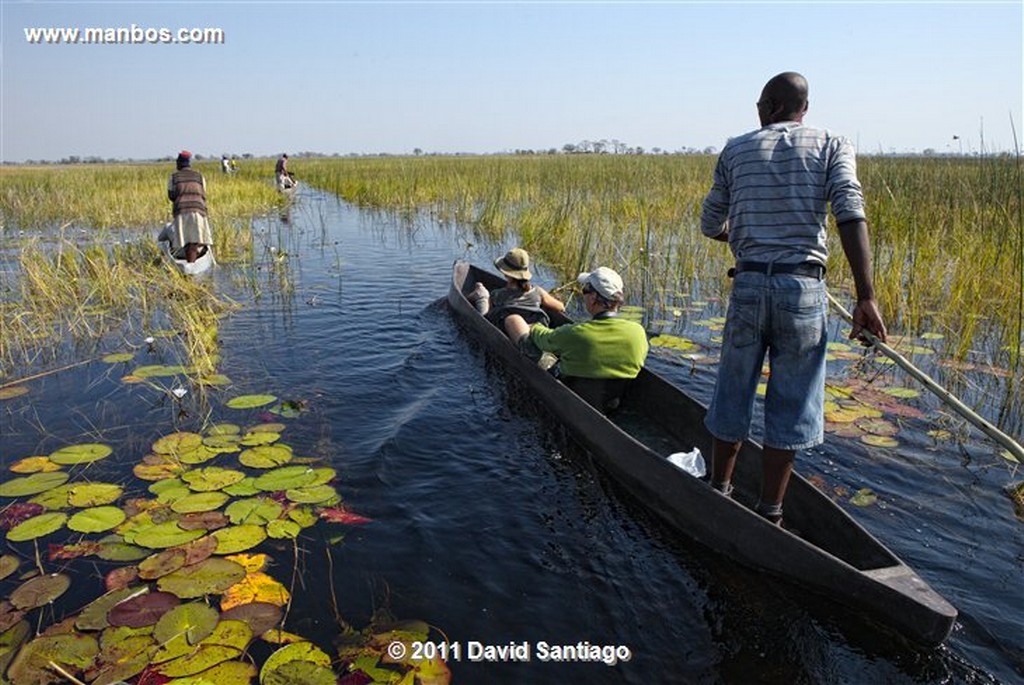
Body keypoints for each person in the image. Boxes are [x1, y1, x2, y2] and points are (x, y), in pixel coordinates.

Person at [700, 71, 887, 526]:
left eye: (761, 105)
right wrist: (866, 296)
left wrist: (745, 240)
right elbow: (849, 210)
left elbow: (710, 223)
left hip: (748, 286)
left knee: (732, 390)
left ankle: (718, 494)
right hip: (802, 290)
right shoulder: (833, 145)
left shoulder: (736, 148)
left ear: (775, 106)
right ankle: (771, 514)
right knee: (791, 403)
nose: (758, 113)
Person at [505, 266, 649, 412]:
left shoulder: (576, 333)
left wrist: (534, 326)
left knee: (513, 320)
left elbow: (542, 339)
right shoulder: (638, 332)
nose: (582, 294)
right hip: (613, 402)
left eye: (585, 290)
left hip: (574, 396)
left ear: (593, 298)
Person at [480, 248, 566, 337]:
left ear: (506, 274)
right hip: (537, 333)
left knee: (482, 295)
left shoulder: (497, 295)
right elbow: (561, 307)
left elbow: (487, 318)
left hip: (513, 334)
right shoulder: (538, 292)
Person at [165, 150, 212, 263]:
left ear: (180, 164)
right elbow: (203, 194)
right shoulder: (199, 176)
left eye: (177, 162)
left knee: (186, 239)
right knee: (195, 240)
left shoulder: (173, 177)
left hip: (181, 211)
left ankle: (190, 266)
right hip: (199, 210)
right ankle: (192, 261)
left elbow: (171, 196)